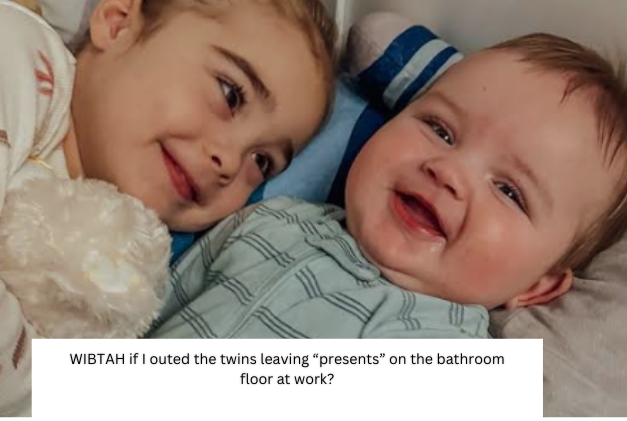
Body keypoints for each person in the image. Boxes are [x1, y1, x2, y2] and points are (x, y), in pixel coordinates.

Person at [0, 0, 336, 415]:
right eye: (231, 94)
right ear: (118, 23)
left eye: (262, 161)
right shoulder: (8, 50)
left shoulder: (132, 267)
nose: (231, 162)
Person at [149, 33, 627, 339]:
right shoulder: (272, 219)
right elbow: (144, 310)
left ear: (538, 286)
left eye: (509, 191)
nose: (448, 171)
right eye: (440, 130)